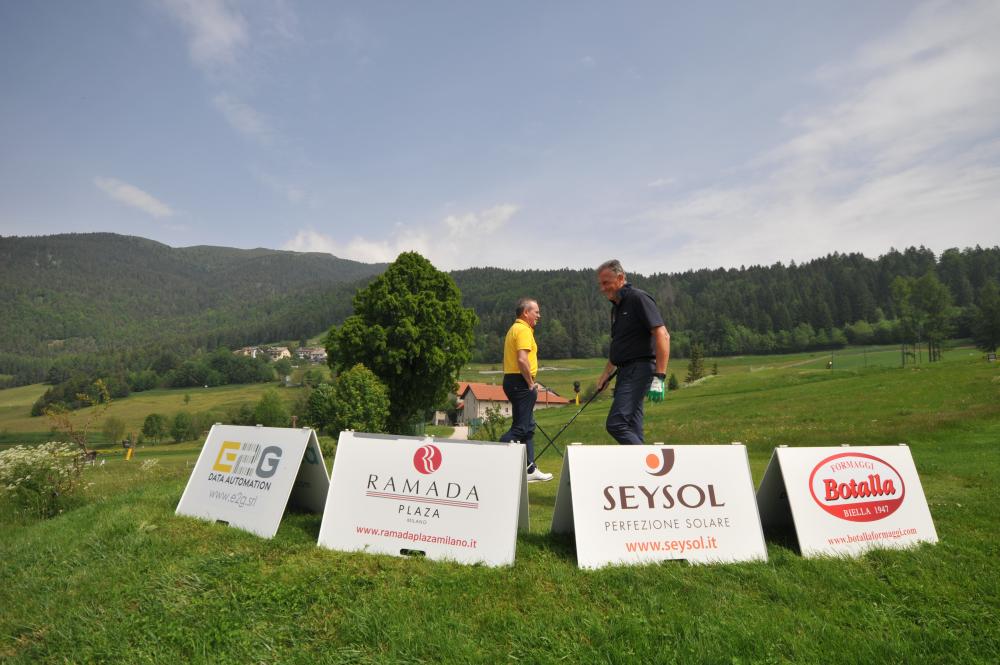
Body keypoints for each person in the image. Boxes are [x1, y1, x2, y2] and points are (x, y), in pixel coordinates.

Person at [594, 259, 670, 444]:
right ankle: (643, 463)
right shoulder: (616, 309)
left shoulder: (638, 298)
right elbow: (620, 346)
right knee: (631, 427)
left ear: (620, 278)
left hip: (640, 370)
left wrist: (659, 377)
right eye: (600, 284)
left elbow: (663, 335)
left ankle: (650, 460)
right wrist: (605, 375)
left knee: (616, 423)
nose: (602, 288)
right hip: (624, 372)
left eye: (606, 283)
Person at [498, 297, 553, 482]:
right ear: (525, 312)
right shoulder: (523, 330)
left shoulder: (515, 329)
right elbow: (522, 360)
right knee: (521, 429)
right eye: (536, 312)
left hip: (513, 380)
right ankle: (494, 454)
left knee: (528, 427)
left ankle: (530, 469)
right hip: (521, 382)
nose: (539, 315)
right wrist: (530, 383)